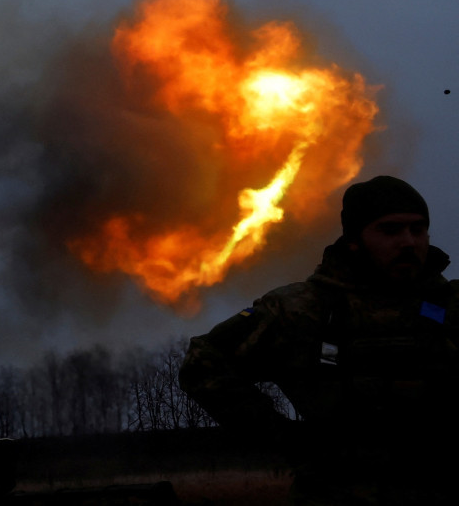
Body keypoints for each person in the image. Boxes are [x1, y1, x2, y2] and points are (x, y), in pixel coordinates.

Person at [179, 175, 459, 504]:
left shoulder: (451, 305)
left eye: (418, 229)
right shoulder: (303, 309)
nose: (409, 242)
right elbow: (203, 363)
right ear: (355, 239)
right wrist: (285, 437)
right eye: (390, 230)